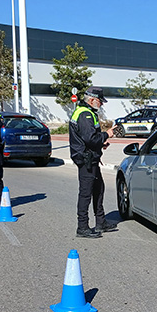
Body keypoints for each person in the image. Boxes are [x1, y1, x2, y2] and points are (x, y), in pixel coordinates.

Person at [69, 87, 116, 238]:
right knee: (86, 193)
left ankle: (101, 222)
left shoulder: (85, 112)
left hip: (90, 157)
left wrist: (100, 144)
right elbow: (90, 138)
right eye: (100, 101)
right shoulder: (85, 114)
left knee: (98, 189)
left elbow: (88, 139)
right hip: (86, 159)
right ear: (92, 100)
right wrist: (106, 135)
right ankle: (82, 226)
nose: (101, 104)